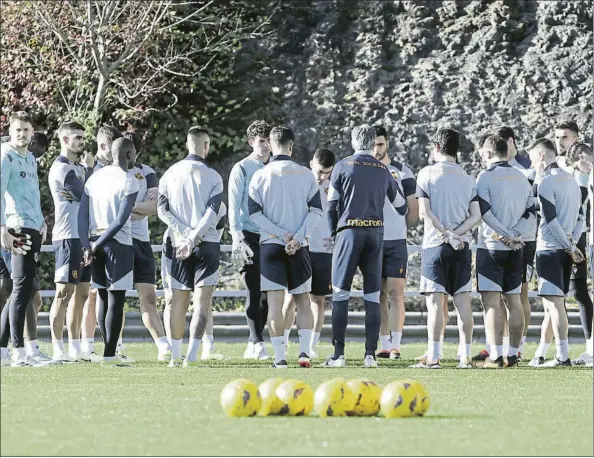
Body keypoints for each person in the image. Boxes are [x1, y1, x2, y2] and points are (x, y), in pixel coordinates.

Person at [323, 124, 407, 368]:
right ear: (373, 144)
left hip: (349, 232)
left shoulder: (342, 166)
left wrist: (334, 235)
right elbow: (401, 207)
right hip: (375, 234)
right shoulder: (384, 170)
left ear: (353, 142)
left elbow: (331, 206)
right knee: (372, 295)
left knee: (340, 294)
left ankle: (338, 355)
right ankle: (370, 355)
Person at [248, 127, 322, 368]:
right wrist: (297, 237)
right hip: (299, 246)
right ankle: (304, 354)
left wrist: (281, 234)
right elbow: (316, 211)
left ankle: (279, 357)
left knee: (275, 304)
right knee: (303, 301)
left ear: (270, 143)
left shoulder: (260, 175)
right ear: (292, 145)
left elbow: (254, 215)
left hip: (270, 245)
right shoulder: (306, 174)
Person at [412, 128, 481, 369]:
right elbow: (476, 216)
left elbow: (424, 213)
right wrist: (457, 234)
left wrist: (445, 234)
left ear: (437, 148)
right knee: (463, 301)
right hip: (461, 246)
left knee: (435, 303)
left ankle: (433, 356)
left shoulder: (427, 173)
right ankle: (466, 356)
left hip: (435, 244)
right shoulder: (467, 177)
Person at [158, 127, 223, 367]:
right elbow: (211, 213)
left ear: (187, 144)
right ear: (206, 146)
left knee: (177, 301)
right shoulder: (214, 176)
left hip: (177, 243)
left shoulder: (169, 174)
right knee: (202, 301)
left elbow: (162, 211)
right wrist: (194, 236)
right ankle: (192, 355)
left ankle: (175, 356)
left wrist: (184, 233)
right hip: (206, 243)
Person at [475, 133, 534, 368]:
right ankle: (513, 354)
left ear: (488, 153)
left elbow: (485, 212)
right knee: (514, 300)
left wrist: (504, 234)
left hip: (492, 246)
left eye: (482, 153)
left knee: (491, 302)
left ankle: (496, 355)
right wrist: (515, 234)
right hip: (517, 247)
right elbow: (531, 212)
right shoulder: (521, 177)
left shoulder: (485, 176)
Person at [78, 137, 139, 366]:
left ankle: (107, 351)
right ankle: (110, 354)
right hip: (117, 244)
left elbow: (82, 215)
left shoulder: (94, 177)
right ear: (129, 155)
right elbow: (121, 220)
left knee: (102, 295)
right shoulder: (130, 180)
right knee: (116, 298)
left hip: (94, 241)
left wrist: (88, 245)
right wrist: (97, 244)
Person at [527, 138, 584, 366]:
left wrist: (569, 246)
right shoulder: (571, 180)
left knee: (554, 305)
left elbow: (550, 221)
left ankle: (563, 356)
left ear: (541, 156)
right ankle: (540, 354)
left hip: (550, 249)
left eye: (532, 157)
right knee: (551, 306)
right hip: (564, 249)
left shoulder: (547, 183)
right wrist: (572, 242)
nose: (532, 162)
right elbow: (580, 218)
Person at [280, 148, 336, 359]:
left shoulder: (333, 187)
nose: (322, 177)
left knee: (318, 299)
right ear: (311, 163)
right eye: (320, 171)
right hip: (299, 245)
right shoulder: (299, 180)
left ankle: (311, 345)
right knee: (291, 297)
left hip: (324, 249)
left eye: (327, 173)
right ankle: (283, 343)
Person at [0, 112, 45, 367]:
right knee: (20, 290)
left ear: (32, 132)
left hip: (32, 226)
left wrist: (42, 220)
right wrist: (2, 229)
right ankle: (18, 353)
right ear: (11, 129)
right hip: (16, 228)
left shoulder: (30, 159)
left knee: (21, 289)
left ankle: (2, 352)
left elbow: (33, 193)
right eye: (18, 130)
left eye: (26, 130)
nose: (22, 134)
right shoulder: (5, 156)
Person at [47, 122, 93, 362]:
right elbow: (85, 195)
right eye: (77, 137)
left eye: (83, 137)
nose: (82, 142)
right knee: (64, 293)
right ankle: (57, 348)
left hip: (83, 237)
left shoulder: (78, 167)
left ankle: (75, 347)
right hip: (67, 237)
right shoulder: (63, 169)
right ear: (65, 140)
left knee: (82, 294)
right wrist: (91, 171)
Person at [124, 132, 172, 361]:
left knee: (149, 298)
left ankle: (163, 346)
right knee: (111, 297)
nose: (131, 153)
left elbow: (154, 208)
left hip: (142, 243)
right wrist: (136, 208)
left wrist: (126, 209)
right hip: (117, 242)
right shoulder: (109, 174)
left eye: (134, 148)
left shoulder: (148, 173)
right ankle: (113, 346)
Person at [372, 126, 418, 360]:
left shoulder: (402, 171)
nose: (376, 149)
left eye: (380, 144)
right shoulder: (365, 170)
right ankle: (384, 344)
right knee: (379, 293)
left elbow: (413, 209)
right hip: (372, 239)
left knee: (396, 292)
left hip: (396, 241)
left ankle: (397, 345)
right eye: (372, 144)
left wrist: (400, 229)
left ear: (387, 144)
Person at [228, 120, 272, 360]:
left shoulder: (276, 166)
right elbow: (234, 205)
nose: (265, 146)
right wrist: (236, 236)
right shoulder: (242, 168)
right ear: (251, 142)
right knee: (253, 290)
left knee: (269, 292)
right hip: (248, 233)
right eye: (261, 141)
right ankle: (257, 341)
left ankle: (254, 340)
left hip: (271, 235)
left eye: (268, 141)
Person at [566, 142, 593, 366]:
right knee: (582, 291)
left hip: (585, 238)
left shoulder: (583, 177)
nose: (577, 168)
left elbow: (579, 204)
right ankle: (590, 350)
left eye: (577, 164)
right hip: (587, 239)